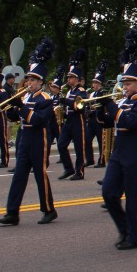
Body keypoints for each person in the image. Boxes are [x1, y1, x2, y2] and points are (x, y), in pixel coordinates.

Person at [0, 38, 58, 226]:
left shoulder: (46, 98)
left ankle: (49, 209)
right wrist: (12, 109)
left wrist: (21, 107)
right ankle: (12, 212)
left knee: (40, 175)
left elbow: (39, 120)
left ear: (40, 81)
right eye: (28, 79)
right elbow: (18, 118)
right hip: (25, 139)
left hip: (39, 139)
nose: (28, 82)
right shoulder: (27, 96)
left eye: (32, 80)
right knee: (19, 176)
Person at [101, 29, 137, 250]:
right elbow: (107, 123)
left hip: (134, 151)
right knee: (108, 193)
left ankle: (134, 236)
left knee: (132, 197)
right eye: (124, 83)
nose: (125, 88)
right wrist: (99, 109)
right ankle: (123, 228)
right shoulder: (121, 102)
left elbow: (129, 122)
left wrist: (111, 107)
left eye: (129, 83)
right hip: (118, 151)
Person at [57, 49, 88, 181]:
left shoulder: (81, 91)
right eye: (68, 77)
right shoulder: (69, 91)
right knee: (61, 144)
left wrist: (66, 101)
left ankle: (79, 172)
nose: (68, 79)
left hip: (78, 120)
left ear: (76, 78)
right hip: (68, 120)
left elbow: (79, 107)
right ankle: (68, 168)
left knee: (79, 147)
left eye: (71, 77)